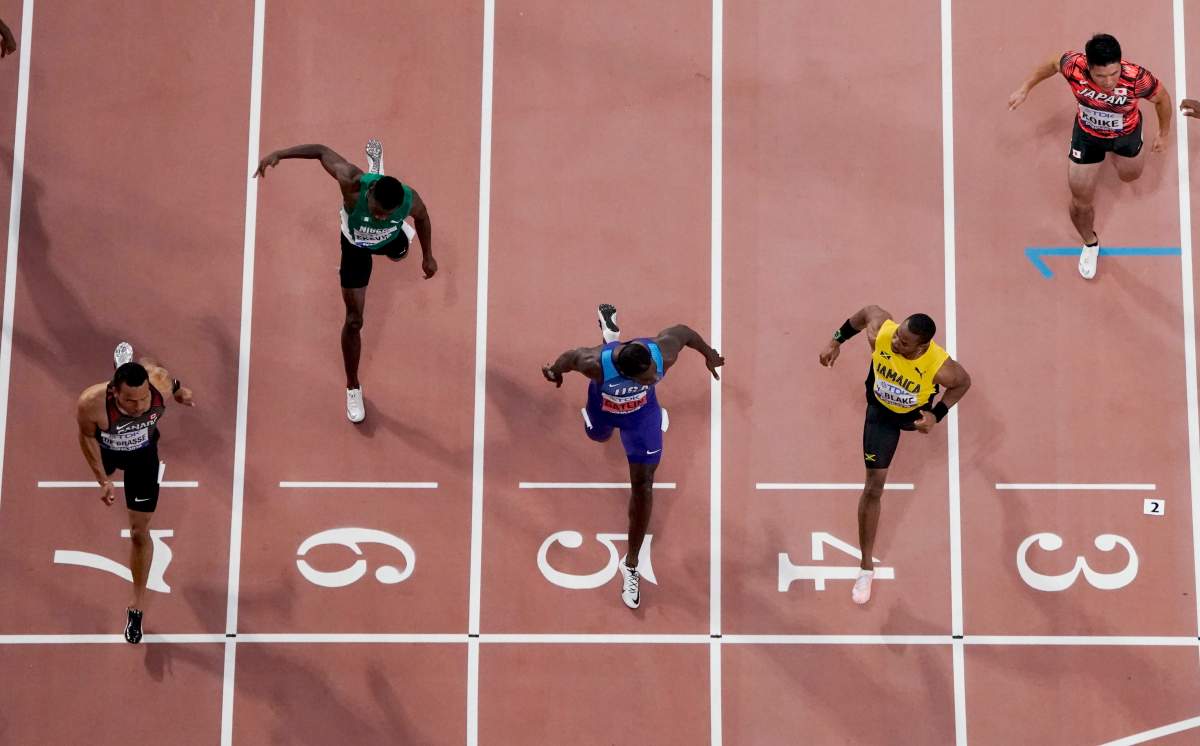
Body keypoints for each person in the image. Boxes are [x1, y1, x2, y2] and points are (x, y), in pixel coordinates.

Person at [542, 305, 724, 608]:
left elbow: (685, 332)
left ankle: (631, 564)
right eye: (646, 379)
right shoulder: (594, 364)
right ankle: (610, 336)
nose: (654, 379)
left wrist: (708, 354)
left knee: (643, 486)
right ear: (625, 373)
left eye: (654, 374)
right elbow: (568, 360)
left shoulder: (661, 354)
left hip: (642, 417)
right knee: (597, 436)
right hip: (604, 410)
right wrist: (553, 372)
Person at [254, 140, 436, 422]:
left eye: (385, 214)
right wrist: (279, 154)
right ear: (370, 191)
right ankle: (353, 387)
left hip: (387, 239)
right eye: (376, 210)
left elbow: (423, 219)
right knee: (354, 321)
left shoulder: (409, 200)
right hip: (356, 247)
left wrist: (428, 256)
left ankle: (378, 170)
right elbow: (320, 151)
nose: (378, 215)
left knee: (400, 255)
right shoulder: (351, 182)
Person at [819, 307, 970, 605]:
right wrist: (835, 341)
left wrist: (937, 415)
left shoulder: (939, 366)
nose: (895, 343)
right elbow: (866, 313)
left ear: (922, 346)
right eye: (898, 335)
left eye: (904, 343)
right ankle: (865, 567)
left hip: (911, 416)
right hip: (880, 415)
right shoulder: (884, 332)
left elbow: (962, 383)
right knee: (874, 487)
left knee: (879, 478)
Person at [1009, 33, 1173, 279]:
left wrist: (1163, 132)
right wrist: (1025, 88)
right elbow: (1053, 62)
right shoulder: (1074, 66)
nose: (1108, 82)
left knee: (1130, 176)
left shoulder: (1137, 77)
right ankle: (1090, 243)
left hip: (1125, 135)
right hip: (1087, 137)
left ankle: (1119, 157)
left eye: (1114, 73)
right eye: (1100, 75)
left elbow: (1162, 98)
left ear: (1121, 64)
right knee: (1079, 200)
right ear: (1088, 67)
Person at [74, 343, 194, 643]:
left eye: (143, 399)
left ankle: (136, 609)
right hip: (109, 451)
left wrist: (179, 392)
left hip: (143, 458)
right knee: (111, 462)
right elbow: (86, 438)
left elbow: (172, 382)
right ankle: (121, 366)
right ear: (114, 392)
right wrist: (102, 479)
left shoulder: (158, 388)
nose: (140, 407)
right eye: (130, 401)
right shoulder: (91, 403)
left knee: (140, 533)